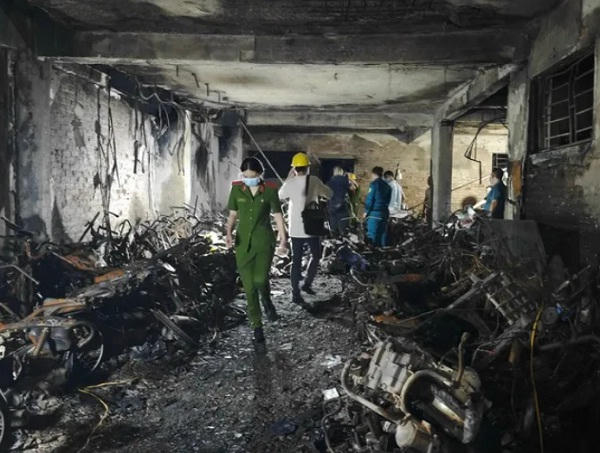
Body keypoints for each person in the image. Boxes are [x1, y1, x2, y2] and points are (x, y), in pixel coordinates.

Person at [225, 157, 288, 343]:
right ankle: (257, 325)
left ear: (260, 174)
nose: (248, 179)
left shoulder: (269, 190)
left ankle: (267, 301)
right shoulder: (237, 190)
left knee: (260, 280)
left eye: (251, 176)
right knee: (249, 287)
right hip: (242, 244)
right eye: (245, 176)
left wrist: (283, 239)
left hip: (264, 242)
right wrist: (228, 233)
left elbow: (278, 216)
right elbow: (232, 215)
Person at [279, 152, 332, 305]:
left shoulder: (290, 183)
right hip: (312, 227)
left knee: (296, 260)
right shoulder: (314, 180)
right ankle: (307, 284)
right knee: (315, 255)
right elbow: (329, 194)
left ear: (294, 169)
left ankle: (295, 294)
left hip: (295, 229)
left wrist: (288, 179)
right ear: (308, 168)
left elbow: (280, 195)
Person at [364, 166, 392, 247]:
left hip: (374, 214)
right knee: (382, 235)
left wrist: (366, 211)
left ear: (373, 174)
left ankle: (372, 252)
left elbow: (370, 199)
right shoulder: (388, 186)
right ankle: (382, 252)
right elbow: (388, 200)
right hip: (384, 213)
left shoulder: (373, 184)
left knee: (371, 236)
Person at [327, 166, 351, 235]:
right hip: (341, 204)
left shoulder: (330, 181)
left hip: (331, 205)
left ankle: (334, 236)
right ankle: (343, 234)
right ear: (341, 172)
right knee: (343, 222)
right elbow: (353, 188)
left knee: (333, 224)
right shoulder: (344, 179)